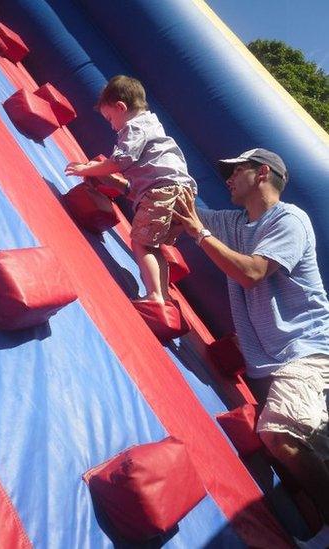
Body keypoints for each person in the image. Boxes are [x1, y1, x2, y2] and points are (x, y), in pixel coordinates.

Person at [173, 148, 329, 548]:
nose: (227, 177)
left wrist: (200, 233)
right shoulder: (240, 222)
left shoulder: (289, 220)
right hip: (279, 361)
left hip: (309, 351)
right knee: (315, 449)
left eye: (235, 170)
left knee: (279, 433)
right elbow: (190, 215)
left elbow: (253, 274)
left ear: (262, 173)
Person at [65, 75, 197, 304]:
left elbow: (119, 162)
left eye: (109, 118)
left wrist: (88, 169)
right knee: (152, 246)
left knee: (140, 242)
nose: (111, 124)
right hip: (179, 192)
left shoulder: (135, 127)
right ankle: (162, 296)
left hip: (164, 190)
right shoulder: (152, 124)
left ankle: (155, 295)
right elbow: (142, 179)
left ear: (120, 107)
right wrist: (113, 180)